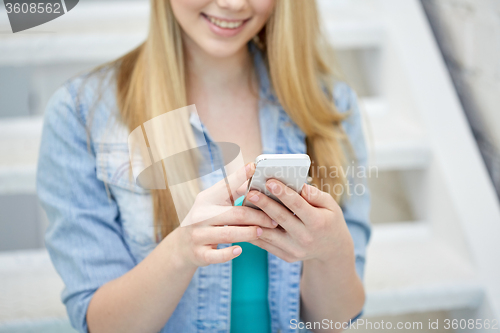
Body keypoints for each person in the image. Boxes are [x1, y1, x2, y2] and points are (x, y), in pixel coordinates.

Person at [37, 0, 371, 332]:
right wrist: (181, 252)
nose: (232, 3)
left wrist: (334, 251)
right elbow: (102, 326)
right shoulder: (81, 114)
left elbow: (333, 322)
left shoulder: (331, 105)